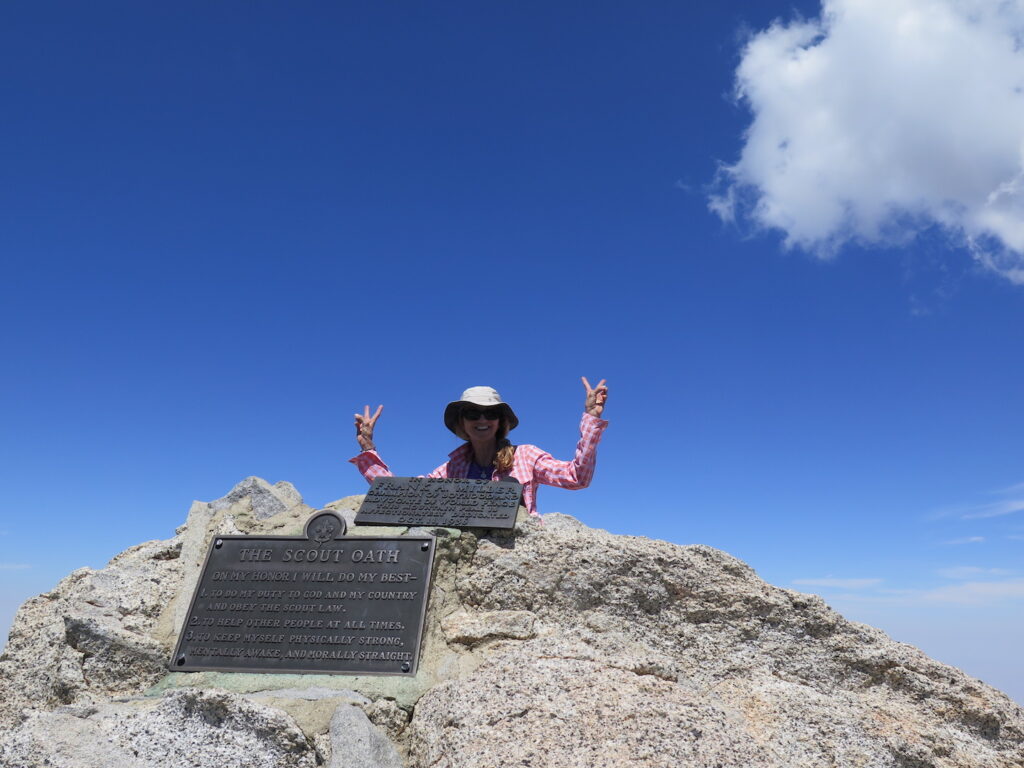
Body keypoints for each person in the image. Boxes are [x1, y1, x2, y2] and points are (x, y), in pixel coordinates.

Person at [349, 378, 609, 517]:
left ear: (500, 421)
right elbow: (406, 496)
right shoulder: (453, 468)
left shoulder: (527, 456)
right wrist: (369, 449)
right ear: (462, 422)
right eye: (473, 413)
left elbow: (577, 478)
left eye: (490, 413)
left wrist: (591, 419)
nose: (482, 420)